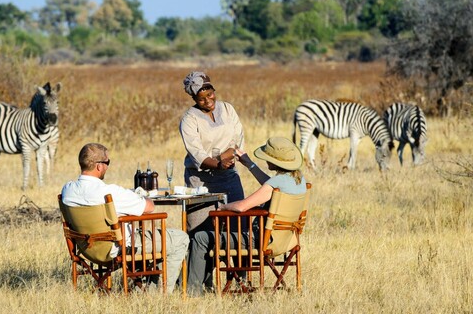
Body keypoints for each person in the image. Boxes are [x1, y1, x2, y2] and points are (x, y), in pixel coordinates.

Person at [61, 143, 189, 293]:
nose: (107, 167)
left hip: (86, 250)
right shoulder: (109, 192)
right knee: (180, 239)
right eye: (107, 162)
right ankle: (157, 295)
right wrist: (142, 196)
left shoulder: (67, 190)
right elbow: (149, 207)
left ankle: (142, 288)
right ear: (99, 166)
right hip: (117, 248)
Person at [186, 136, 308, 295]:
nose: (266, 160)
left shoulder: (276, 183)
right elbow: (269, 182)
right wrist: (249, 163)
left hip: (261, 241)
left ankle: (192, 291)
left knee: (201, 237)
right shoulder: (299, 181)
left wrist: (222, 208)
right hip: (286, 241)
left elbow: (242, 207)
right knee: (212, 237)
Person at [179, 71, 246, 234]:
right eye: (201, 99)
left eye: (210, 94)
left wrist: (227, 160)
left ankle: (238, 259)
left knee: (239, 228)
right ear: (194, 99)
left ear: (214, 91)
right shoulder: (189, 119)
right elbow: (197, 153)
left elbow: (238, 138)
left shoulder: (227, 109)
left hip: (229, 176)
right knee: (200, 231)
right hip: (200, 182)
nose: (208, 101)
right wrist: (218, 164)